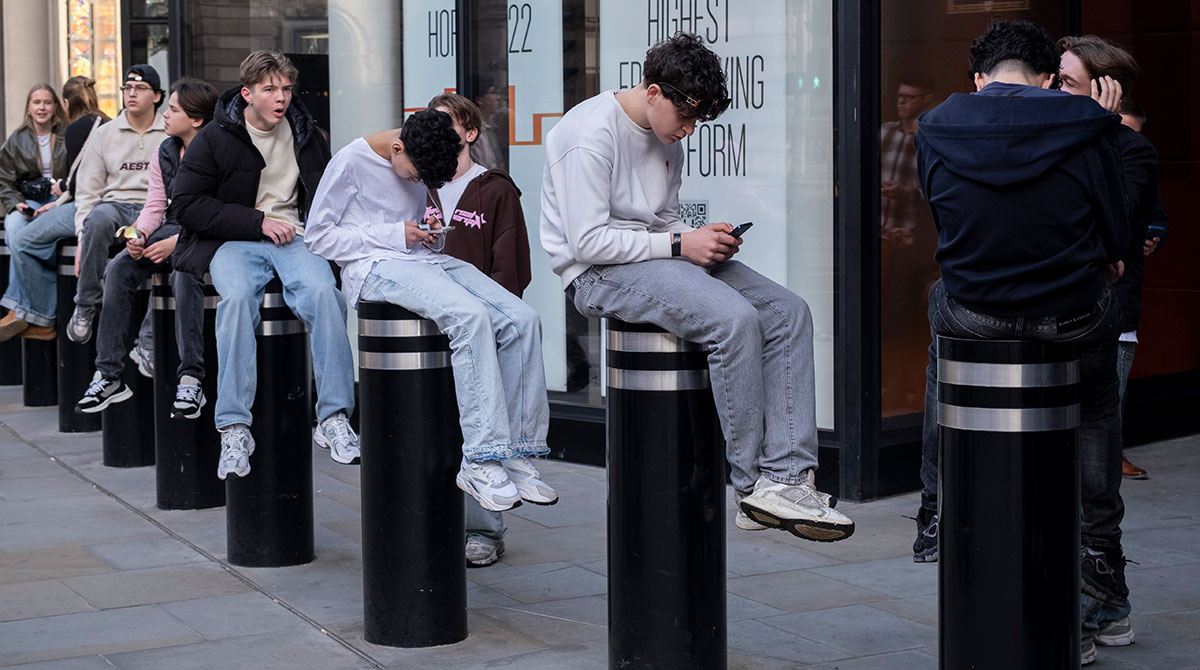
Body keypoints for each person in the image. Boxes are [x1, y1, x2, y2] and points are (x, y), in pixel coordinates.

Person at [539, 32, 853, 542]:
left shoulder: (667, 139)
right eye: (685, 118)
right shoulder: (588, 134)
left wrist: (704, 242)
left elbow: (663, 223)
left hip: (652, 259)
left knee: (788, 311)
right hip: (596, 275)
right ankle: (752, 487)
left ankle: (788, 478)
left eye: (697, 122)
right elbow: (589, 242)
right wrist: (682, 245)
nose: (688, 131)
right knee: (732, 320)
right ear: (653, 91)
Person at [914, 19, 1128, 665]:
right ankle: (1102, 574)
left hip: (975, 314)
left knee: (938, 319)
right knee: (1094, 405)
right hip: (1070, 316)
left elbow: (941, 214)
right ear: (1043, 75)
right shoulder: (1086, 121)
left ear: (980, 77)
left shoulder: (935, 125)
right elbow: (1117, 233)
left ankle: (935, 514)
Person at [305, 109, 558, 514]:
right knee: (469, 318)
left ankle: (517, 449)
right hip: (374, 269)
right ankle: (480, 458)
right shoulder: (350, 162)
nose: (417, 182)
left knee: (521, 320)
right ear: (398, 147)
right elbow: (318, 237)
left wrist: (429, 230)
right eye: (415, 175)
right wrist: (394, 233)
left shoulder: (419, 158)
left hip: (422, 262)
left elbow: (418, 231)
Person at [171, 51, 359, 480]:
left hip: (295, 238)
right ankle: (234, 426)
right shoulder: (215, 137)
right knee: (235, 301)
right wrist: (257, 221)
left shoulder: (308, 133)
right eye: (270, 89)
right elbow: (186, 205)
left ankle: (333, 418)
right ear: (247, 93)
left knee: (325, 296)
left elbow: (328, 193)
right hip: (235, 239)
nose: (281, 98)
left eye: (287, 89)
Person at [1057, 35, 1169, 660]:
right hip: (1053, 322)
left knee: (1091, 478)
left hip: (1106, 327)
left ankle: (1089, 611)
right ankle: (1112, 604)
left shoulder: (1130, 149)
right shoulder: (1060, 139)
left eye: (1068, 83)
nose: (1053, 92)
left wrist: (1096, 132)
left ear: (1107, 90)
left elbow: (1111, 225)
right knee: (1072, 476)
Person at [427, 93, 533, 566]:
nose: (437, 134)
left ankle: (484, 530)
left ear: (470, 133)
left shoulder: (495, 190)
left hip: (479, 328)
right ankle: (432, 519)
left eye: (447, 125)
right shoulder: (415, 185)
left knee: (482, 428)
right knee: (436, 426)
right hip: (426, 334)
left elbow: (511, 271)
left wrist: (491, 318)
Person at [75, 78, 220, 419]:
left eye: (173, 109)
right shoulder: (165, 151)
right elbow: (156, 204)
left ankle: (191, 378)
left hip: (210, 233)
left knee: (184, 273)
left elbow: (221, 211)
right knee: (119, 268)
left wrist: (177, 243)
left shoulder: (220, 151)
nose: (165, 116)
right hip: (173, 226)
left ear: (196, 119)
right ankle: (109, 374)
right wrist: (139, 234)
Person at [67, 65, 167, 345]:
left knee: (166, 247)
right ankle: (85, 304)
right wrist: (81, 238)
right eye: (127, 88)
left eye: (140, 88)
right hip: (116, 206)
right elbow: (88, 191)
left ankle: (148, 341)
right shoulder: (105, 133)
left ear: (157, 96)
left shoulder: (169, 131)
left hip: (156, 208)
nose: (131, 94)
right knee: (97, 219)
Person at [0, 83, 69, 340]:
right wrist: (16, 203)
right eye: (37, 102)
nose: (42, 108)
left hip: (59, 202)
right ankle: (20, 310)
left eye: (47, 102)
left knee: (26, 240)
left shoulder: (67, 134)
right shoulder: (17, 139)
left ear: (56, 107)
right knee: (15, 228)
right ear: (29, 107)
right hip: (28, 202)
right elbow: (4, 179)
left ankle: (17, 308)